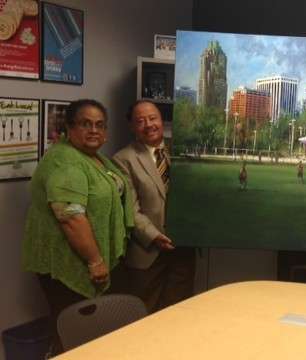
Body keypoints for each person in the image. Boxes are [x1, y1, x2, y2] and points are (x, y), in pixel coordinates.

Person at [22, 99, 134, 354]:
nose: (94, 130)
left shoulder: (95, 159)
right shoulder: (65, 162)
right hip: (71, 263)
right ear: (69, 129)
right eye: (85, 124)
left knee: (96, 333)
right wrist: (95, 260)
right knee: (75, 335)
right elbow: (70, 216)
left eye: (100, 125)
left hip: (91, 259)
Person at [113, 100, 195, 313]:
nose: (148, 124)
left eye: (152, 118)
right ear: (132, 127)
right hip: (148, 251)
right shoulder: (123, 159)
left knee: (179, 310)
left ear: (162, 121)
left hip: (183, 248)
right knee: (144, 312)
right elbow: (129, 208)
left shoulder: (180, 150)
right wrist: (154, 236)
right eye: (140, 121)